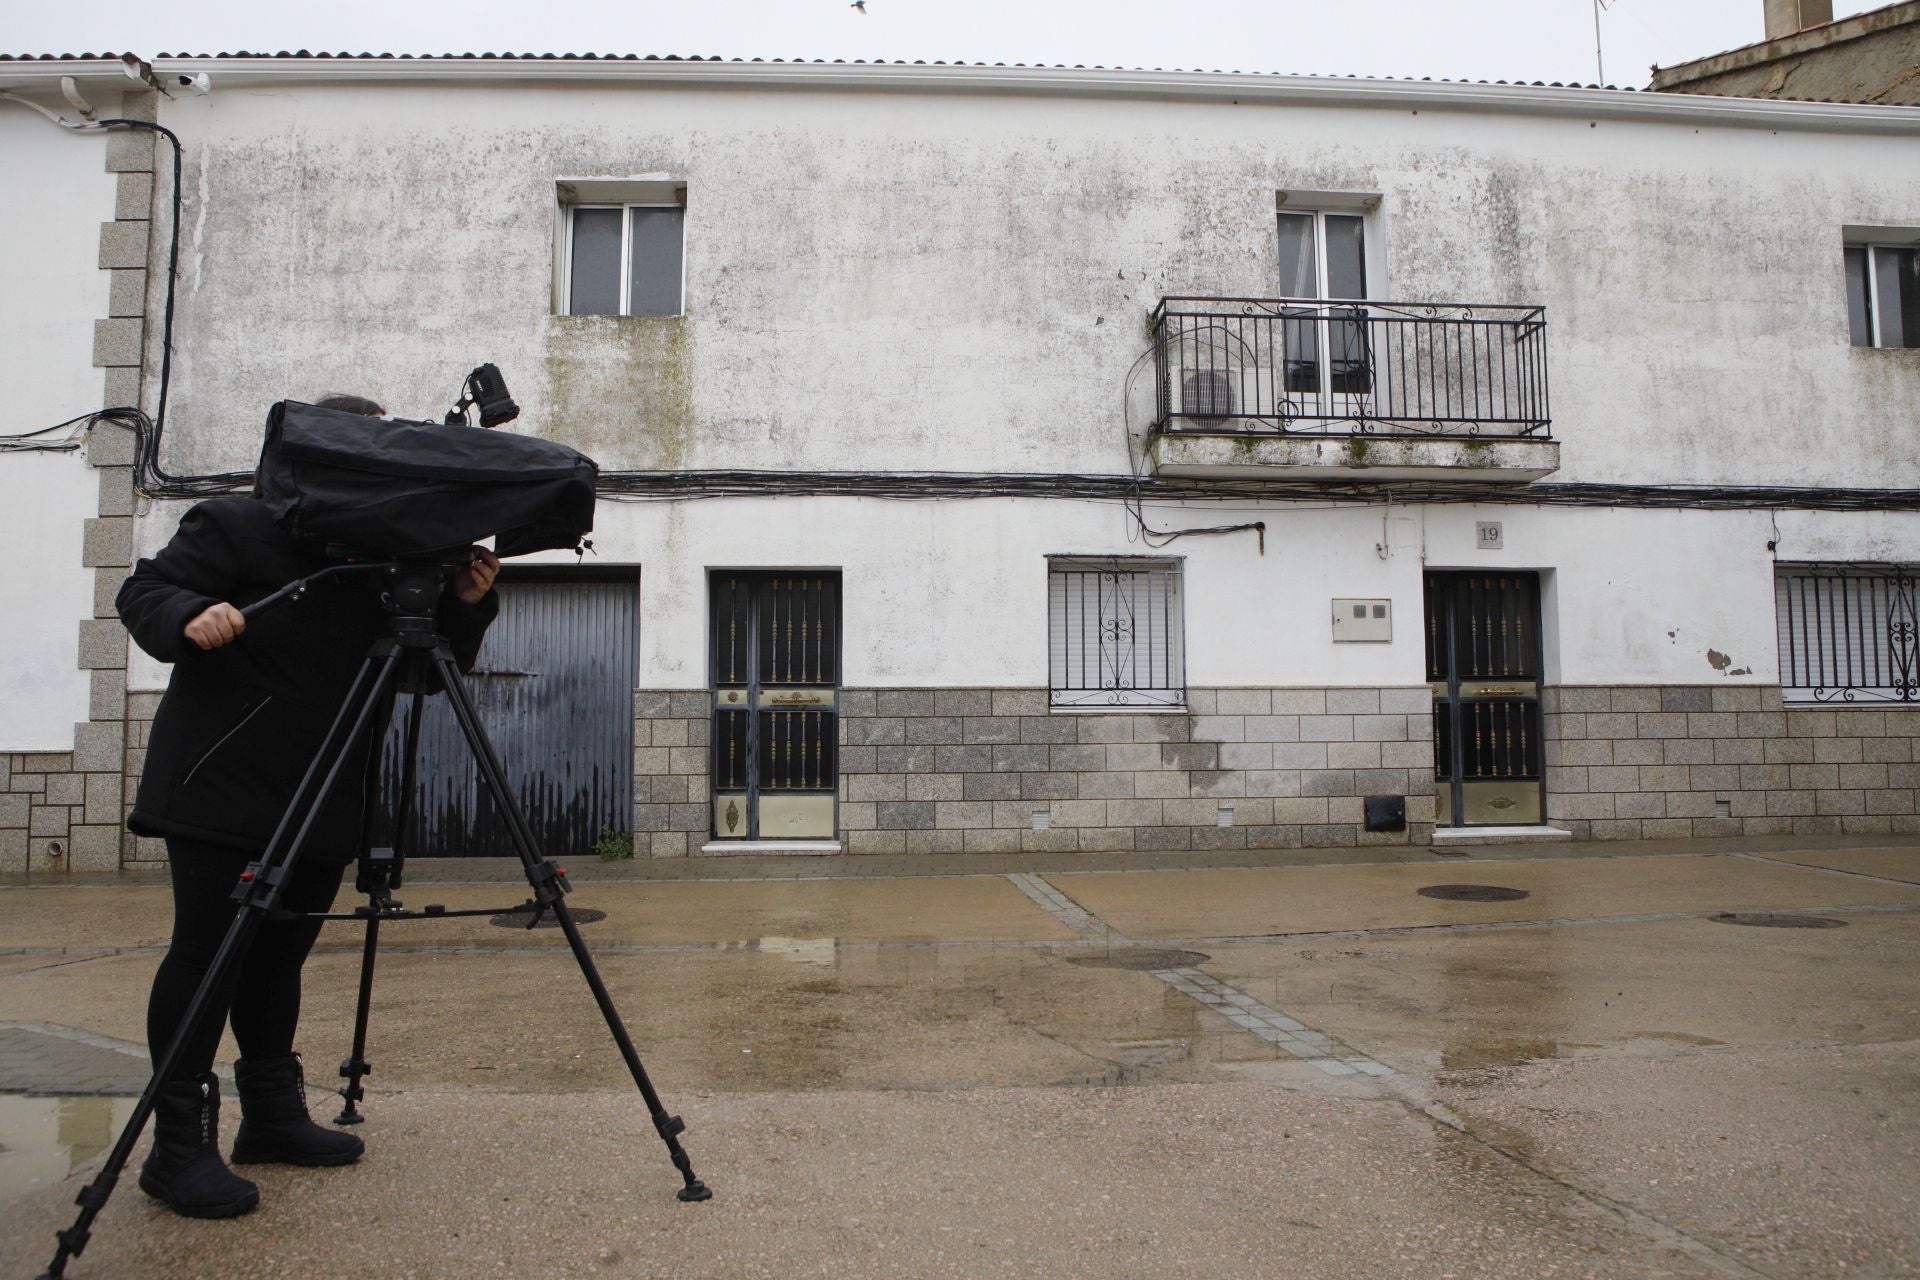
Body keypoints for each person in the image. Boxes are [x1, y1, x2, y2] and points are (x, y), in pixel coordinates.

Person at [117, 394, 501, 1218]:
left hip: (326, 792)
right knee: (207, 955)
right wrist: (189, 614)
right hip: (223, 783)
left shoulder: (383, 556)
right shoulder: (234, 525)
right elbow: (145, 592)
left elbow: (420, 676)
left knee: (278, 959)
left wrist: (464, 607)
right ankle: (178, 1149)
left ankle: (272, 1117)